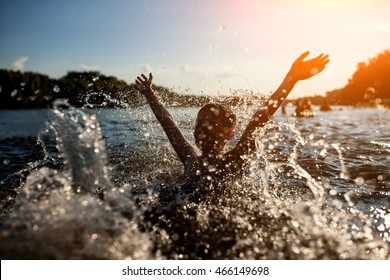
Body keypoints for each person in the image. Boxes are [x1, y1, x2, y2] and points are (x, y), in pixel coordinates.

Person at [135, 51, 329, 196]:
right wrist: (150, 95)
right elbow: (169, 124)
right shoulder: (190, 158)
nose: (202, 130)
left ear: (229, 134)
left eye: (210, 124)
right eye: (199, 124)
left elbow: (259, 119)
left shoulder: (234, 160)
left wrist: (291, 79)